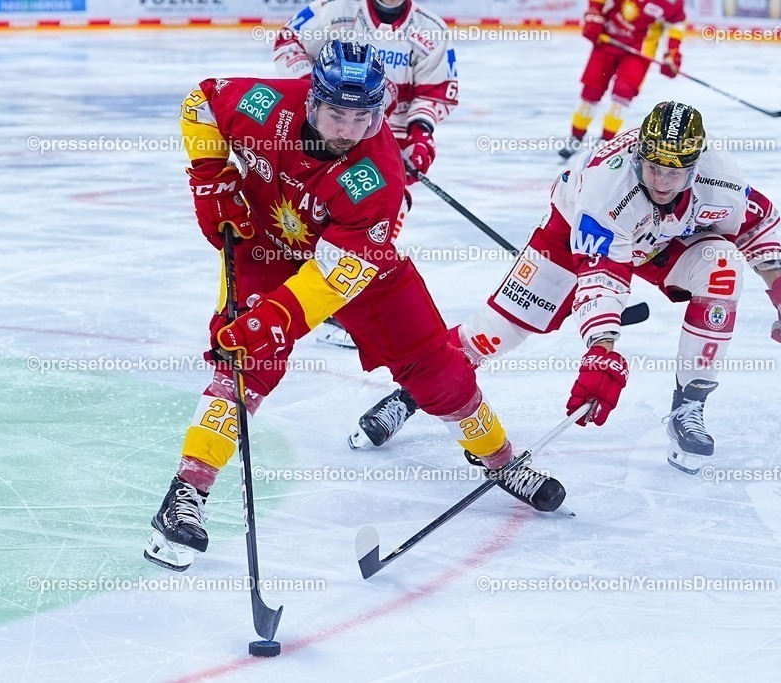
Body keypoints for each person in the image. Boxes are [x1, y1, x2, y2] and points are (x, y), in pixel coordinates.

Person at [144, 42, 561, 573]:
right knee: (243, 366)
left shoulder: (378, 176)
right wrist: (210, 176)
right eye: (336, 113)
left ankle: (500, 460)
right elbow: (200, 102)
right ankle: (187, 495)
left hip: (360, 267)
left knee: (438, 368)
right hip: (265, 246)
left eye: (362, 116)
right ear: (313, 99)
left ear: (379, 111)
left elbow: (335, 276)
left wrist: (276, 319)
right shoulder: (265, 104)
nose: (346, 128)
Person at [352, 101, 781, 476]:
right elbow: (601, 279)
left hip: (662, 241)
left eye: (674, 172)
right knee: (494, 334)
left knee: (722, 267)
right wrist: (602, 349)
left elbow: (757, 225)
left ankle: (688, 408)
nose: (660, 180)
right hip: (569, 232)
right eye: (653, 167)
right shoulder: (607, 185)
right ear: (641, 156)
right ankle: (414, 392)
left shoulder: (723, 180)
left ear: (695, 167)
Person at [274, 0, 458, 348]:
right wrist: (308, 88)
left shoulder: (430, 29)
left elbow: (436, 92)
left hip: (387, 147)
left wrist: (419, 136)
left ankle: (344, 300)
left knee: (379, 225)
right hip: (329, 132)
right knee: (315, 215)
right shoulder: (336, 10)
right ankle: (308, 294)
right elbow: (289, 40)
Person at [560, 0, 686, 159]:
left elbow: (675, 23)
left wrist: (673, 51)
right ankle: (575, 137)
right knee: (591, 91)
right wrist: (594, 14)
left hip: (639, 51)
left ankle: (605, 142)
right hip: (606, 40)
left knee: (623, 92)